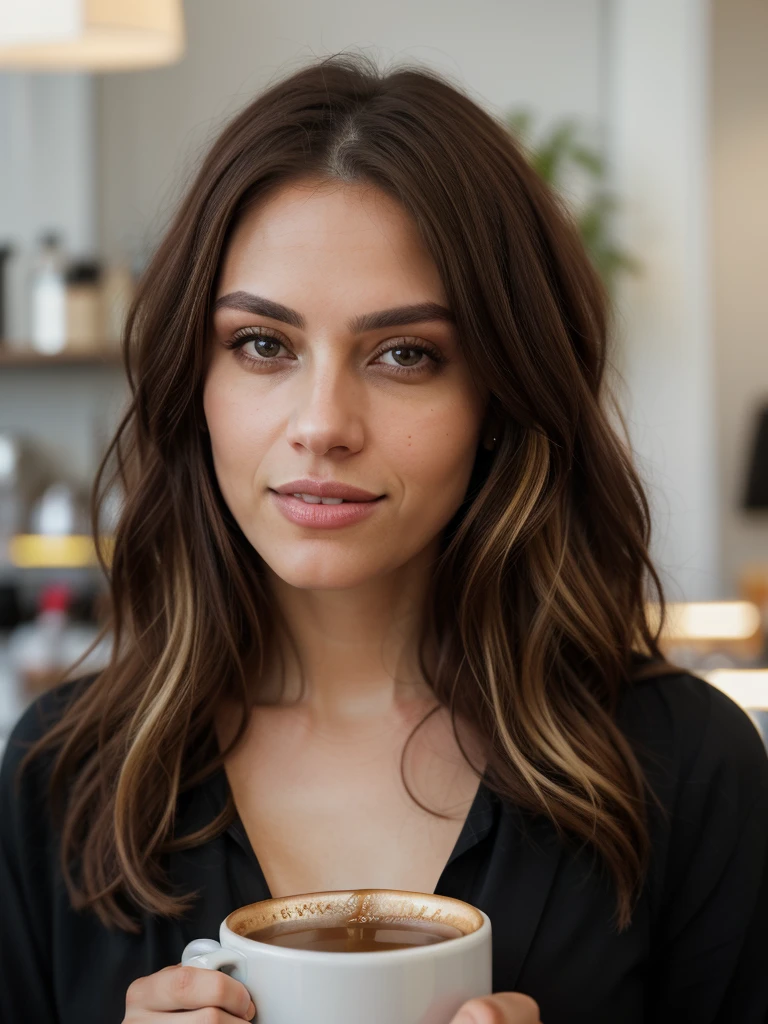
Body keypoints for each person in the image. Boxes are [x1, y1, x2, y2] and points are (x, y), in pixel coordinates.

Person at [1, 52, 767, 1024]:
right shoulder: (59, 778)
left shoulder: (687, 770)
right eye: (262, 345)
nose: (323, 423)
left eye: (405, 354)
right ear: (195, 382)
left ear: (499, 393)